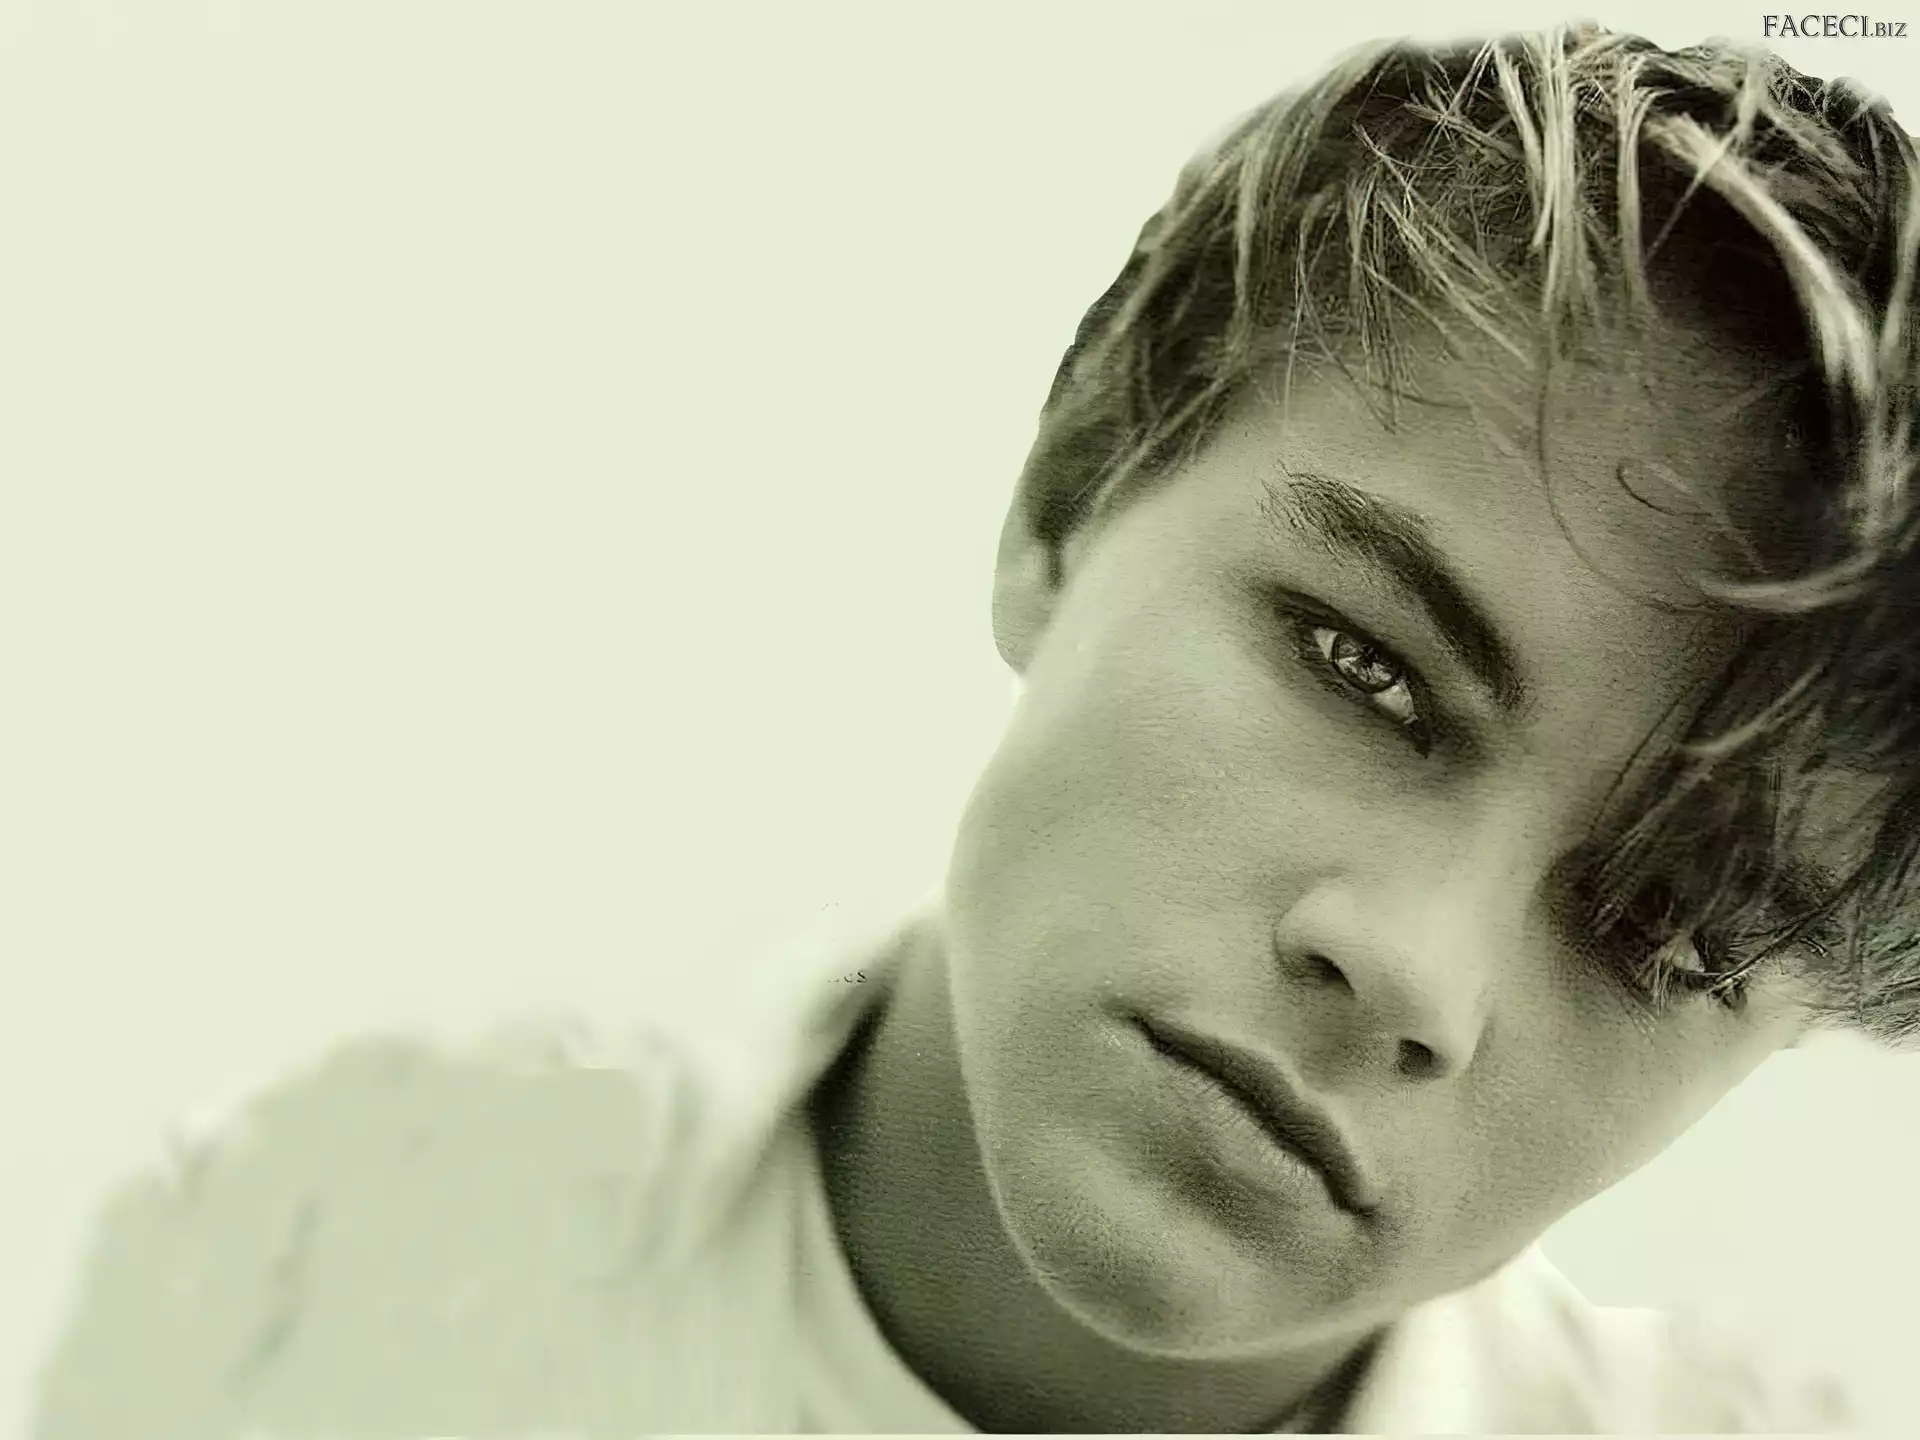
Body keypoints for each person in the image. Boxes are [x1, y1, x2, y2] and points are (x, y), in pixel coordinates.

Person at [29, 19, 1918, 1435]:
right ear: (1062, 510)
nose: (1411, 961)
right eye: (1364, 670)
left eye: (1666, 932)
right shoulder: (257, 1273)